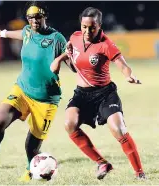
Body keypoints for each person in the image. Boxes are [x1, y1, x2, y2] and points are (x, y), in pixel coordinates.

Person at [0, 1, 67, 182]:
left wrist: (72, 59)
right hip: (22, 90)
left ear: (45, 16)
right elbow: (20, 34)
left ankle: (32, 170)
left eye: (37, 17)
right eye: (30, 17)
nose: (34, 21)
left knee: (31, 146)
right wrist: (2, 33)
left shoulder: (57, 38)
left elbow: (72, 63)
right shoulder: (27, 32)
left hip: (46, 99)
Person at [50, 7, 146, 180]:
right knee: (69, 123)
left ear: (99, 26)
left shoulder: (106, 44)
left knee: (118, 129)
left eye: (92, 27)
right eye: (84, 26)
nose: (87, 31)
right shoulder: (74, 37)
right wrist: (61, 58)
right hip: (82, 95)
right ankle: (102, 163)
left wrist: (129, 75)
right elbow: (74, 64)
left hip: (105, 94)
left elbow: (122, 65)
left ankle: (140, 173)